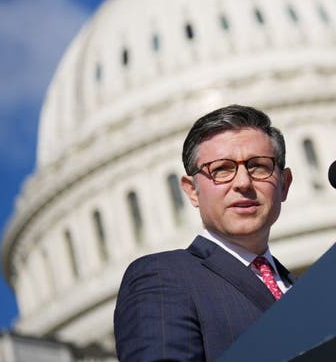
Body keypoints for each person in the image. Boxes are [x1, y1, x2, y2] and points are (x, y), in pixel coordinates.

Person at [114, 104, 294, 361]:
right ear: (191, 190)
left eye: (258, 166)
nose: (243, 183)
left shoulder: (307, 293)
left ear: (284, 185)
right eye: (221, 169)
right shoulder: (164, 277)